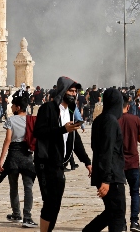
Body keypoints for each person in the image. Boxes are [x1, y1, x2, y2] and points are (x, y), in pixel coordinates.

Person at [33, 76, 92, 232]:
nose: (73, 94)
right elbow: (38, 132)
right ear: (62, 91)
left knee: (56, 203)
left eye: (75, 91)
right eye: (70, 91)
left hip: (60, 163)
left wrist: (87, 162)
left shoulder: (71, 111)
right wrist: (62, 130)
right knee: (50, 202)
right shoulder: (48, 108)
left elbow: (75, 138)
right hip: (45, 162)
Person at [83, 88, 126, 232]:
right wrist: (107, 179)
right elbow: (106, 151)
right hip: (112, 176)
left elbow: (97, 148)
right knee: (118, 212)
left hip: (106, 173)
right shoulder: (110, 121)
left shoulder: (99, 120)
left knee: (112, 211)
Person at [0, 96, 38, 227]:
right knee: (28, 187)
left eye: (13, 105)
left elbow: (8, 140)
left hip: (13, 155)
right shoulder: (32, 120)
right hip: (27, 155)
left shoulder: (11, 120)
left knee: (13, 186)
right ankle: (27, 217)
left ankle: (16, 213)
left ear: (18, 107)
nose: (12, 107)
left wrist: (1, 160)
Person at [118, 94, 140, 232]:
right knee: (135, 193)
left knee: (120, 194)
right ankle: (134, 221)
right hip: (133, 162)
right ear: (128, 106)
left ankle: (121, 223)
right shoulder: (135, 119)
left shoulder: (114, 120)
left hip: (118, 163)